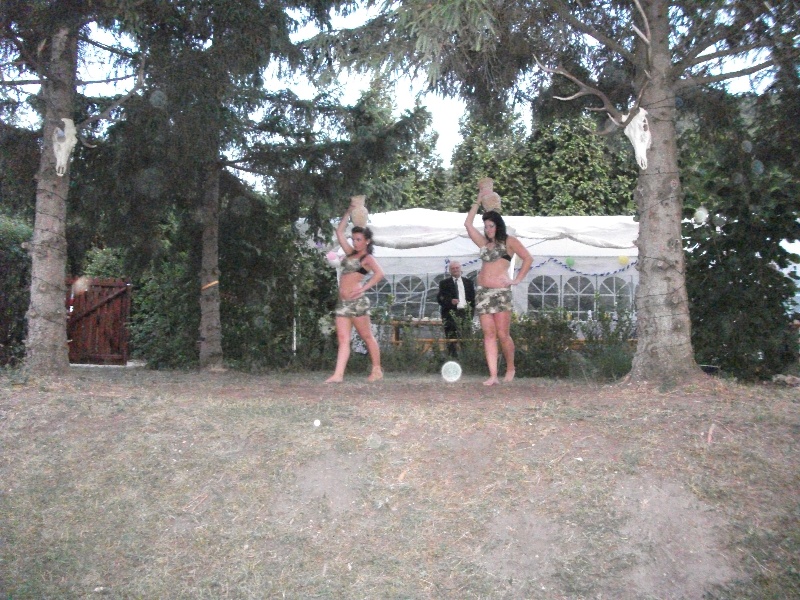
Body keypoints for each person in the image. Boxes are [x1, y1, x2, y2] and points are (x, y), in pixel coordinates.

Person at [465, 199, 533, 385]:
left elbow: (528, 258)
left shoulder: (509, 242)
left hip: (501, 293)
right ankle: (493, 375)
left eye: (491, 226)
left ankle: (510, 367)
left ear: (498, 225)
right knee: (488, 334)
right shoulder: (483, 243)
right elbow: (468, 224)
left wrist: (516, 280)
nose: (488, 230)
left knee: (503, 334)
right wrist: (478, 200)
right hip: (483, 293)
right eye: (486, 226)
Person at [326, 204, 385, 383]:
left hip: (357, 302)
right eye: (354, 239)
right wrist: (348, 212)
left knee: (367, 336)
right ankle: (338, 375)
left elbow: (380, 274)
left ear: (367, 241)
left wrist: (364, 288)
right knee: (343, 339)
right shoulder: (350, 253)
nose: (355, 242)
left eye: (359, 239)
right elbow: (339, 232)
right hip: (343, 302)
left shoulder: (367, 258)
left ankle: (377, 370)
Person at [437, 261, 475, 358]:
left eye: (457, 268)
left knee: (466, 339)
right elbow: (440, 299)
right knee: (451, 339)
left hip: (465, 313)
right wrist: (450, 301)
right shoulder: (444, 283)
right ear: (450, 270)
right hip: (450, 314)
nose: (455, 270)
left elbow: (473, 300)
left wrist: (470, 314)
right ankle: (453, 359)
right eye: (453, 268)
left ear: (460, 268)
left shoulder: (469, 283)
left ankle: (467, 359)